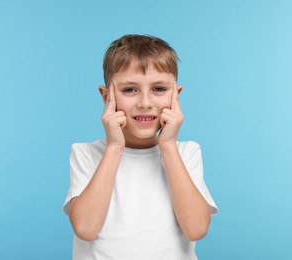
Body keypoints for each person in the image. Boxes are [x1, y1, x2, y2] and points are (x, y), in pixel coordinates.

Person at [63, 34, 218, 260]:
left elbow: (196, 229)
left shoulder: (186, 153)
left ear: (176, 95)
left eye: (158, 89)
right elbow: (86, 228)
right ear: (106, 96)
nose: (145, 103)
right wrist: (115, 146)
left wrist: (167, 146)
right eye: (129, 90)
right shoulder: (86, 153)